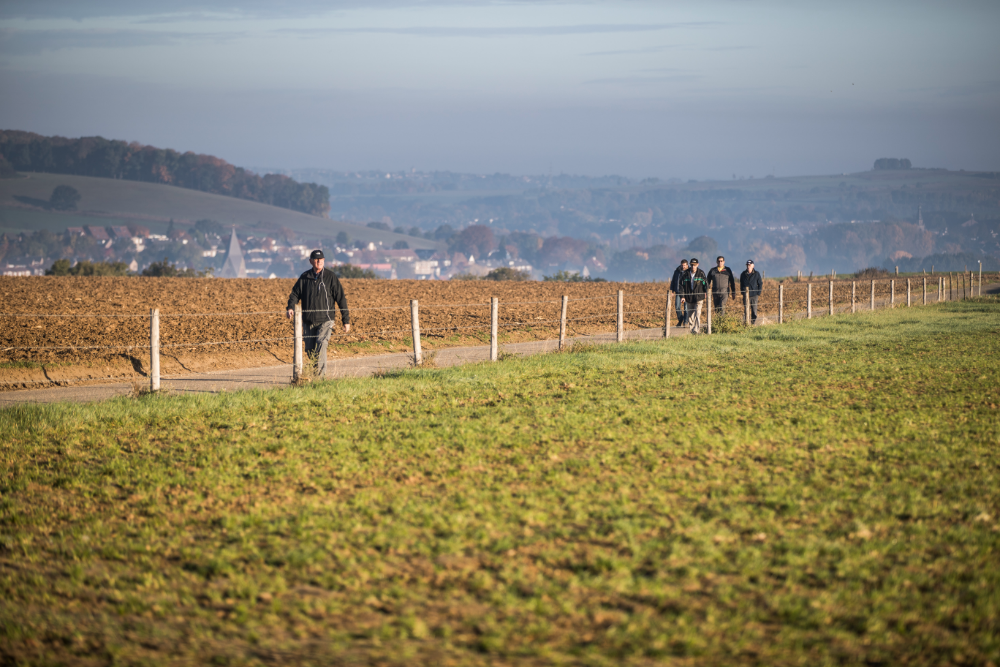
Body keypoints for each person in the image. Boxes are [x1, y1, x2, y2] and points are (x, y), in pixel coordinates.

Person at [286, 250, 351, 379]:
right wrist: (290, 307)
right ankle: (314, 373)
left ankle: (320, 379)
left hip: (326, 320)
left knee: (321, 344)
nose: (319, 261)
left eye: (321, 259)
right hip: (308, 321)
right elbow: (295, 294)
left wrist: (346, 320)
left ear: (324, 260)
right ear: (311, 261)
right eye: (316, 259)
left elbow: (341, 299)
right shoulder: (305, 277)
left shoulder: (330, 277)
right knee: (310, 350)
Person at [679, 257, 709, 334]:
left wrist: (706, 292)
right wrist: (682, 296)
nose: (693, 267)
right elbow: (681, 286)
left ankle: (696, 329)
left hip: (699, 298)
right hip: (689, 298)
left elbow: (706, 284)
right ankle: (692, 330)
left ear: (697, 265)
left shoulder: (701, 273)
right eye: (692, 265)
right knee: (690, 316)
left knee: (697, 314)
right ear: (690, 265)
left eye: (694, 265)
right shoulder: (685, 274)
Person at [740, 259, 763, 324]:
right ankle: (746, 323)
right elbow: (741, 284)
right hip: (746, 295)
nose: (748, 266)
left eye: (749, 265)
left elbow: (760, 283)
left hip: (754, 295)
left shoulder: (756, 274)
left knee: (754, 310)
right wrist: (743, 292)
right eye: (747, 265)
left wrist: (758, 292)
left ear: (753, 266)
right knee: (746, 309)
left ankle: (753, 323)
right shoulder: (743, 274)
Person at [669, 259, 690, 326]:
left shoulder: (689, 272)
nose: (683, 266)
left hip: (686, 293)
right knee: (677, 307)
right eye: (682, 265)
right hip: (678, 292)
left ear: (687, 265)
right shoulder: (677, 272)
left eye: (684, 265)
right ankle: (681, 319)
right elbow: (673, 281)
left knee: (686, 307)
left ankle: (686, 321)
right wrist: (672, 291)